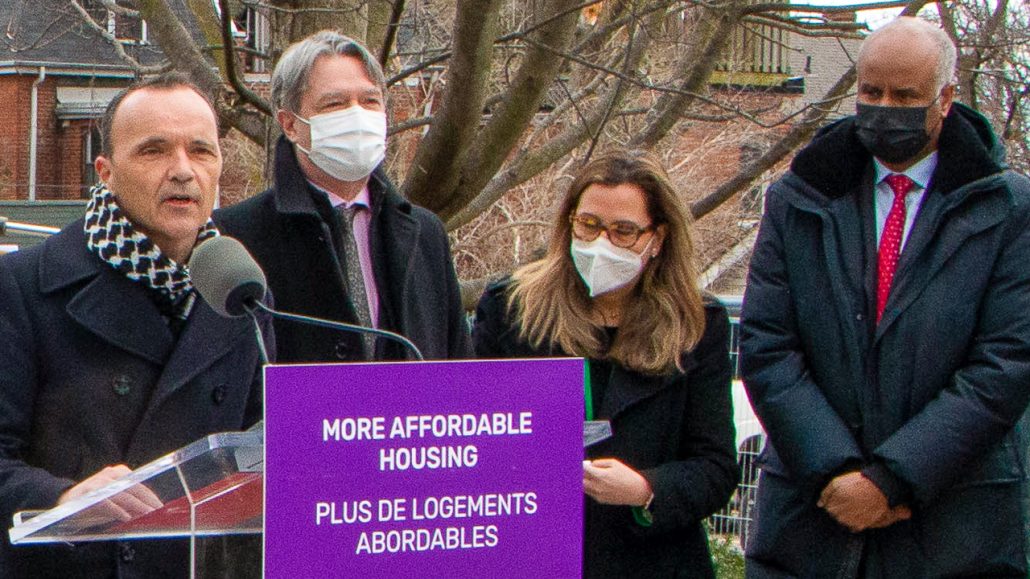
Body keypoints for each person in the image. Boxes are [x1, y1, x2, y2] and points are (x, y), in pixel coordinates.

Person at [740, 17, 1030, 577]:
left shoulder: (1008, 209)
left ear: (945, 98)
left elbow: (1007, 362)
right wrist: (833, 472)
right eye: (870, 92)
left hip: (955, 525)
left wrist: (894, 479)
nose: (884, 107)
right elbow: (767, 344)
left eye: (905, 96)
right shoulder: (798, 197)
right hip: (811, 516)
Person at [0, 73, 272, 578]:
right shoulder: (21, 287)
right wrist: (62, 497)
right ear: (105, 170)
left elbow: (261, 453)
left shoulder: (240, 293)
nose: (183, 171)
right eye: (154, 151)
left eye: (201, 151)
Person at [474, 149, 739, 578]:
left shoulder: (697, 324)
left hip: (651, 560)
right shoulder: (511, 309)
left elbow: (716, 467)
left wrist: (647, 490)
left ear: (657, 239)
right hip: (536, 552)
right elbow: (476, 435)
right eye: (589, 225)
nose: (602, 244)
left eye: (624, 231)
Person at [216, 30, 469, 363]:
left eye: (369, 101)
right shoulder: (235, 237)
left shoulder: (426, 234)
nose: (357, 116)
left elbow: (458, 364)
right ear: (290, 125)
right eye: (334, 104)